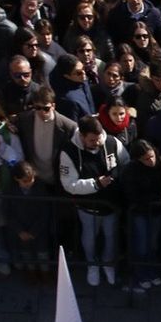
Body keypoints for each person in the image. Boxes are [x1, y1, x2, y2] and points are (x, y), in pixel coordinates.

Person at [59, 114, 126, 285]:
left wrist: (117, 177)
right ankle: (92, 264)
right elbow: (69, 184)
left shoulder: (112, 142)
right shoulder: (69, 151)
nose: (96, 143)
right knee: (89, 237)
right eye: (91, 140)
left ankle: (108, 264)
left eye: (98, 139)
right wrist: (96, 184)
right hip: (87, 206)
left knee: (111, 236)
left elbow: (126, 162)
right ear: (81, 136)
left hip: (110, 204)